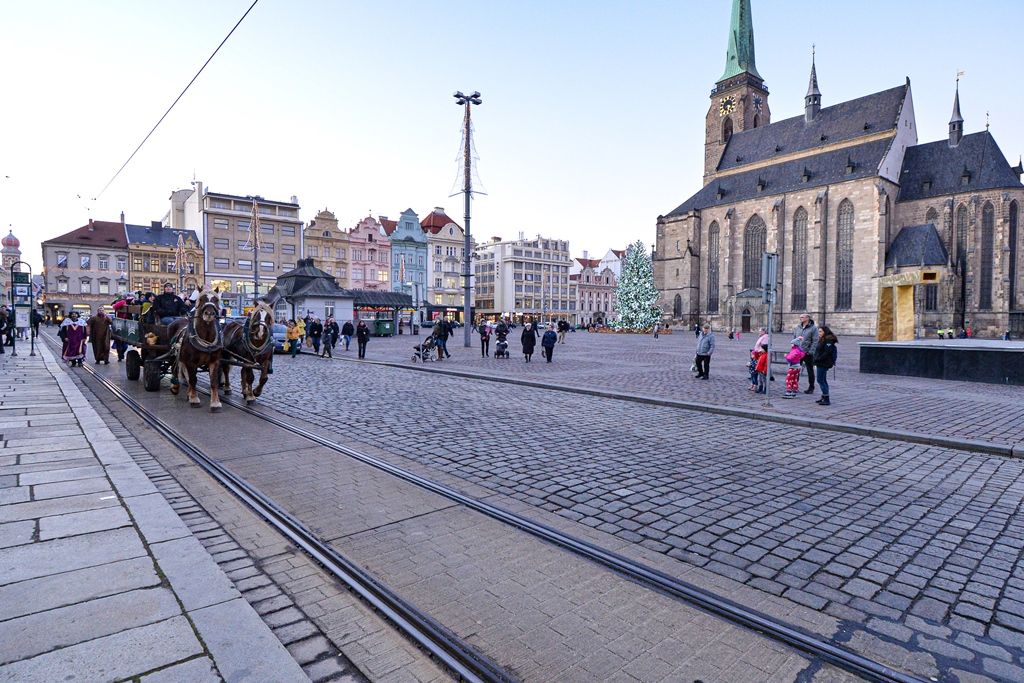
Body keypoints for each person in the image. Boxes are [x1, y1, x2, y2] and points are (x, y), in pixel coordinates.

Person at [792, 314, 818, 394]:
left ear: (808, 318)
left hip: (807, 353)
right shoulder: (798, 327)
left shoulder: (813, 328)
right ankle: (794, 386)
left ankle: (811, 387)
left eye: (802, 317)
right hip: (798, 352)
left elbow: (815, 341)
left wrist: (810, 351)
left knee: (810, 370)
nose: (801, 318)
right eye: (800, 317)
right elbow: (794, 338)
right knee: (796, 370)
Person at [813, 326, 839, 406]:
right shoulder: (823, 339)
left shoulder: (828, 341)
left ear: (825, 332)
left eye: (820, 331)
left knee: (820, 380)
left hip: (824, 363)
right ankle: (824, 396)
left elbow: (826, 353)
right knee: (823, 380)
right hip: (820, 362)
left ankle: (826, 398)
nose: (819, 333)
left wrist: (817, 359)